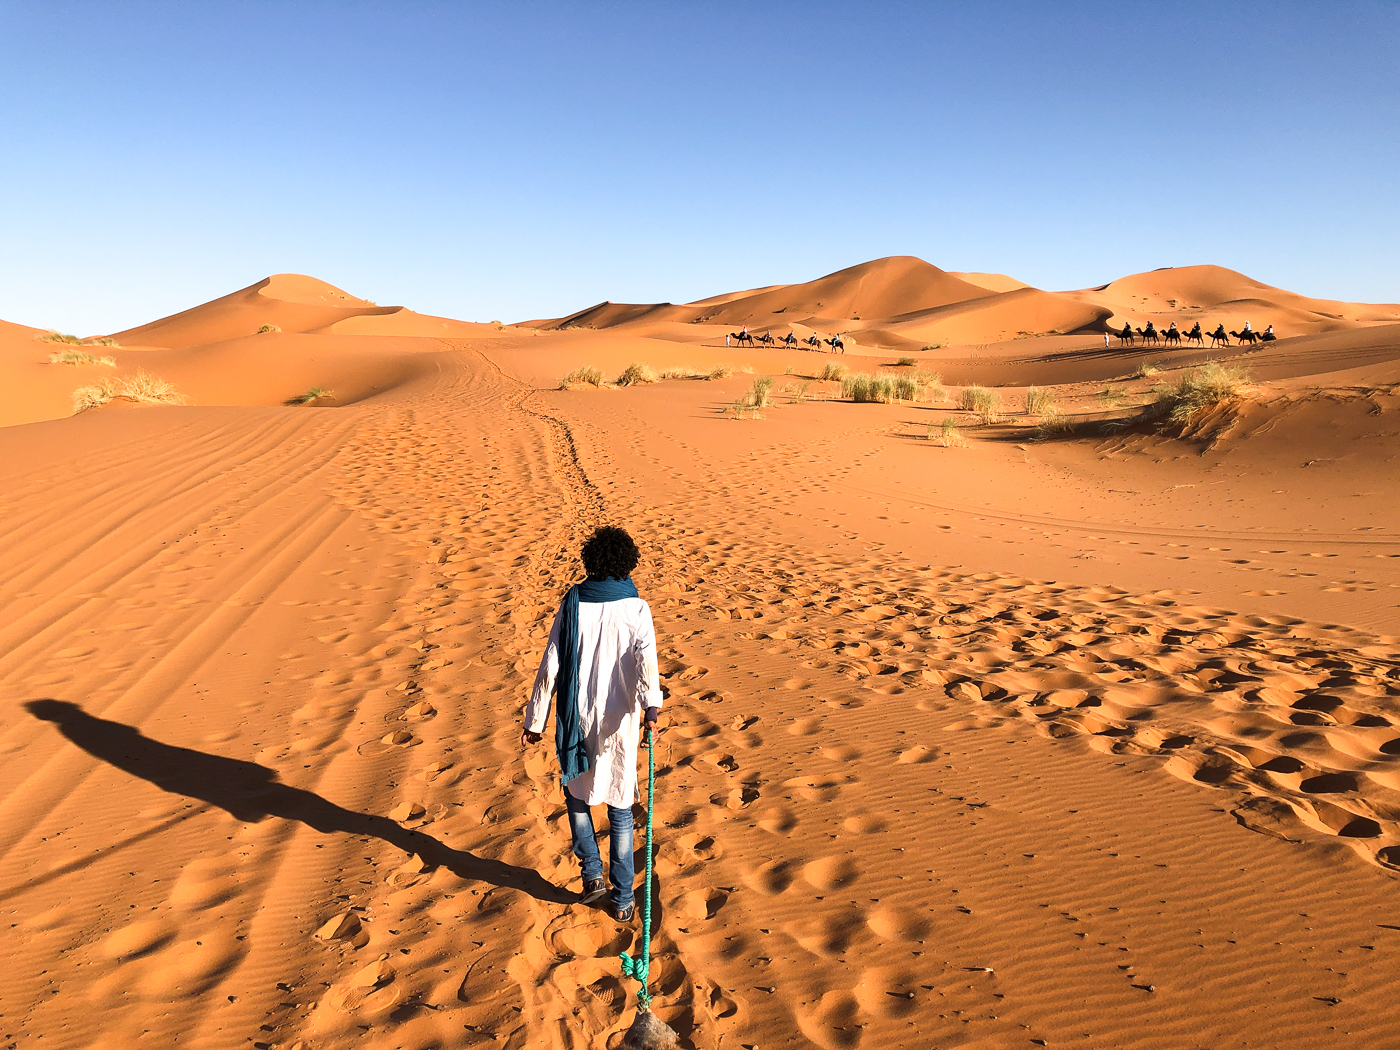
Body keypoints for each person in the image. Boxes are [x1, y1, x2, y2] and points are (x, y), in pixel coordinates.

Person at [522, 526, 662, 922]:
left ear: (591, 562)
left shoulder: (572, 602)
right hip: (621, 722)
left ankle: (593, 877)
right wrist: (652, 708)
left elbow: (551, 663)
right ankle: (622, 899)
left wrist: (536, 720)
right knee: (619, 806)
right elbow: (646, 664)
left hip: (575, 718)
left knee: (576, 794)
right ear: (627, 563)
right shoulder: (637, 609)